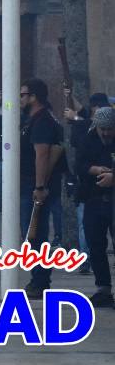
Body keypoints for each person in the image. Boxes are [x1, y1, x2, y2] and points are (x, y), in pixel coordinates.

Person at [18, 77, 65, 297]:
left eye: (23, 94)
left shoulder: (42, 121)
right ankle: (39, 279)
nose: (20, 99)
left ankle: (39, 280)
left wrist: (39, 186)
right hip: (34, 184)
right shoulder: (38, 118)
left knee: (35, 235)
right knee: (34, 235)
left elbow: (42, 154)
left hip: (36, 186)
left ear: (34, 97)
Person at [74, 105, 114, 307]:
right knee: (95, 244)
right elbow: (79, 165)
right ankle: (103, 288)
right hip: (93, 198)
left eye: (110, 129)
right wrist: (96, 169)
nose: (106, 133)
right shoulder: (88, 140)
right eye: (103, 129)